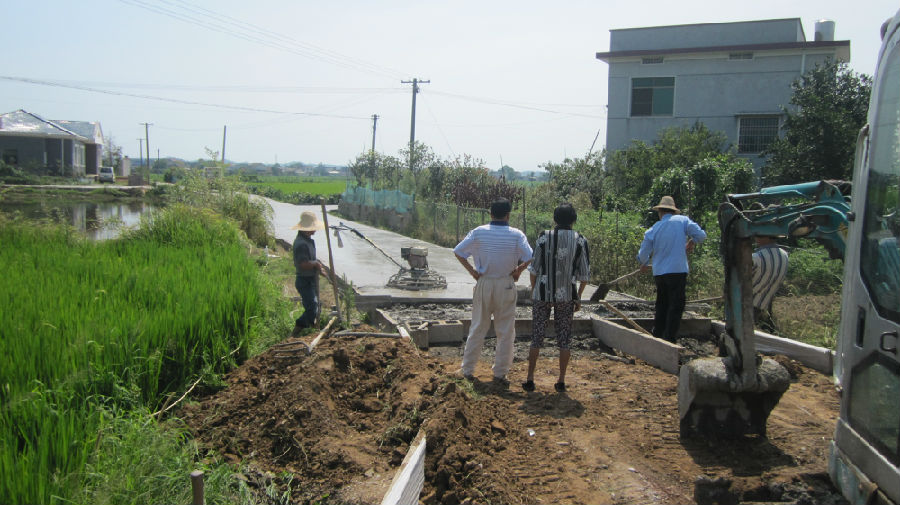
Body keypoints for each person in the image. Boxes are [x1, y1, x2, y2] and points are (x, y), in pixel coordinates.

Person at [454, 198, 533, 387]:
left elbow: (458, 251)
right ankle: (500, 373)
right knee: (505, 331)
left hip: (484, 282)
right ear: (508, 215)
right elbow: (531, 256)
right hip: (506, 283)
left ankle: (467, 370)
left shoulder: (478, 232)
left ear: (490, 214)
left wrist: (473, 272)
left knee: (477, 327)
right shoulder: (516, 235)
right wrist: (518, 270)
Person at [522, 203, 590, 393]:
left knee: (536, 336)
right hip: (566, 295)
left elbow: (534, 269)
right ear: (573, 220)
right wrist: (578, 296)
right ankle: (561, 381)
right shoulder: (580, 240)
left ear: (555, 219)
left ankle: (530, 379)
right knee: (564, 338)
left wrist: (535, 290)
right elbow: (584, 275)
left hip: (542, 294)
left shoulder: (544, 236)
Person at [637, 196, 707, 341]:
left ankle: (658, 336)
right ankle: (669, 339)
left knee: (662, 304)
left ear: (660, 212)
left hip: (660, 273)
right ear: (673, 211)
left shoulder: (654, 228)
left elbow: (643, 253)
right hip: (677, 270)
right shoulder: (682, 221)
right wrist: (692, 241)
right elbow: (701, 235)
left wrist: (644, 262)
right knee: (675, 306)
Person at [290, 210, 326, 337]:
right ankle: (296, 331)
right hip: (304, 281)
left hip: (310, 279)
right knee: (312, 307)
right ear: (306, 228)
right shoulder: (301, 244)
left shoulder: (308, 241)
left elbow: (311, 260)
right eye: (313, 227)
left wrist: (319, 268)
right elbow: (303, 264)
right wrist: (315, 264)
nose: (315, 230)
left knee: (316, 307)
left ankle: (312, 330)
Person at [752, 234, 789, 333]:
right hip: (763, 304)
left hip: (745, 303)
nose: (755, 237)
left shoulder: (756, 257)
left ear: (765, 236)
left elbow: (742, 280)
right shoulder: (784, 255)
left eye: (757, 235)